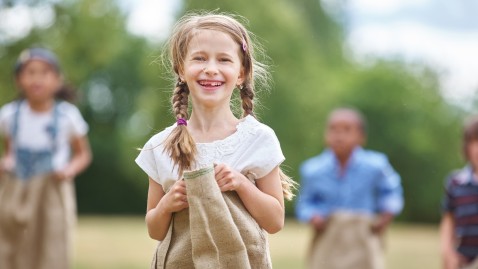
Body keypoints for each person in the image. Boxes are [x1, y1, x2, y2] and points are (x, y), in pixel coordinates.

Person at [135, 12, 295, 269]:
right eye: (199, 58)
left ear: (241, 73)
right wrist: (167, 205)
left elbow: (275, 221)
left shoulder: (258, 138)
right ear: (181, 69)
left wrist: (242, 184)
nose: (211, 68)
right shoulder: (160, 145)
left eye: (224, 59)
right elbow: (154, 229)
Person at [0, 47, 92, 269]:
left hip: (52, 187)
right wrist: (7, 161)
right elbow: (10, 149)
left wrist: (69, 169)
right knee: (11, 240)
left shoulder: (67, 116)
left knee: (51, 243)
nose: (36, 78)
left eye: (44, 72)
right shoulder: (10, 115)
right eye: (30, 72)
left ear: (57, 80)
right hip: (17, 187)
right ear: (19, 80)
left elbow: (83, 154)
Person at [295, 107, 404, 269]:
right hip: (328, 235)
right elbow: (305, 202)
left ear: (361, 137)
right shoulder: (313, 170)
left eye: (347, 130)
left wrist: (386, 216)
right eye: (333, 129)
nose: (339, 136)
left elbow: (391, 192)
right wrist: (312, 215)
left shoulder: (376, 165)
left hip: (363, 235)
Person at [440, 116, 478, 269]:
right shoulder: (455, 182)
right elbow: (448, 220)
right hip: (463, 260)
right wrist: (447, 252)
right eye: (474, 141)